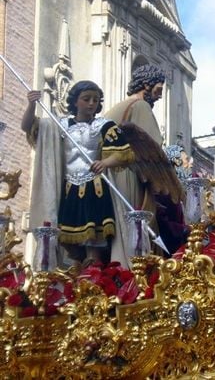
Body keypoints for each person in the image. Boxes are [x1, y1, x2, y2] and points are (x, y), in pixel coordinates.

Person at [22, 81, 134, 264]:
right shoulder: (59, 124)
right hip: (69, 187)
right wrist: (32, 104)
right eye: (86, 99)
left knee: (93, 240)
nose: (91, 103)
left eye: (95, 100)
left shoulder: (104, 125)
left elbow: (124, 152)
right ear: (75, 101)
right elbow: (29, 127)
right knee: (69, 242)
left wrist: (105, 162)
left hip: (94, 187)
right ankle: (75, 273)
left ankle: (93, 273)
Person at [105, 64, 183, 264]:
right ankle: (134, 270)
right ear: (146, 85)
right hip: (131, 174)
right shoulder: (140, 106)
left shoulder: (115, 109)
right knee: (137, 224)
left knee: (121, 223)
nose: (158, 96)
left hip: (111, 176)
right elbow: (154, 146)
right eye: (158, 90)